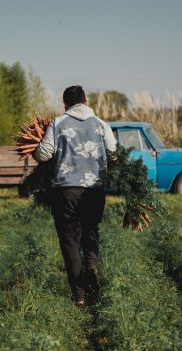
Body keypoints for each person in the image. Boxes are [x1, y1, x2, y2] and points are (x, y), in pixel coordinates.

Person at [33, 85, 117, 306]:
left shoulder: (58, 123)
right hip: (95, 190)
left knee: (70, 241)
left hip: (66, 191)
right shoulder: (102, 124)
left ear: (65, 105)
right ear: (86, 101)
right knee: (90, 233)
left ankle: (79, 296)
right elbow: (114, 154)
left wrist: (36, 151)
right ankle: (91, 270)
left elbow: (44, 154)